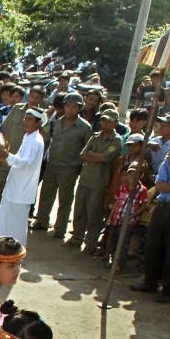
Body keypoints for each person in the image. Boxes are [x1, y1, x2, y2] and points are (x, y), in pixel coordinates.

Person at [32, 92, 92, 239]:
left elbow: (87, 148)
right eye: (68, 106)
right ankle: (42, 220)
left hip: (70, 168)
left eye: (74, 107)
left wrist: (81, 168)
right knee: (46, 194)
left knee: (65, 199)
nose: (70, 109)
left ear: (79, 108)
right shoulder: (55, 122)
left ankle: (60, 227)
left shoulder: (84, 127)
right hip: (52, 164)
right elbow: (45, 136)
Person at [130, 139, 170, 303]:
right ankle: (149, 281)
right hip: (163, 205)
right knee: (153, 244)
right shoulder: (169, 160)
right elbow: (159, 185)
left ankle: (168, 289)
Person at [68, 109, 122, 256]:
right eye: (103, 120)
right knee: (79, 211)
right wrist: (96, 156)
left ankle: (90, 244)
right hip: (85, 179)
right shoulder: (95, 136)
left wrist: (92, 155)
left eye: (109, 121)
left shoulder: (116, 141)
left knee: (94, 215)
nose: (105, 123)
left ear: (115, 123)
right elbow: (82, 155)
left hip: (99, 182)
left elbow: (106, 158)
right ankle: (76, 238)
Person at [0, 108, 46, 245]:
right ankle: (2, 248)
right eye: (25, 118)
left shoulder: (35, 141)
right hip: (15, 188)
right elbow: (19, 159)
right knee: (6, 221)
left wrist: (7, 155)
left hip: (22, 191)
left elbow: (26, 163)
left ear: (38, 123)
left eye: (30, 119)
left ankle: (14, 251)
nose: (25, 122)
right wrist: (6, 157)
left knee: (16, 226)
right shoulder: (28, 137)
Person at [101, 164, 149, 272]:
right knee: (114, 240)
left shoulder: (142, 190)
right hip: (116, 218)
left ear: (141, 176)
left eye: (135, 175)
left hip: (128, 221)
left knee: (123, 243)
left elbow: (143, 206)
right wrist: (110, 217)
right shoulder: (123, 187)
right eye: (130, 174)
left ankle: (119, 264)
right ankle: (113, 260)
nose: (131, 177)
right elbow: (117, 202)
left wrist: (132, 216)